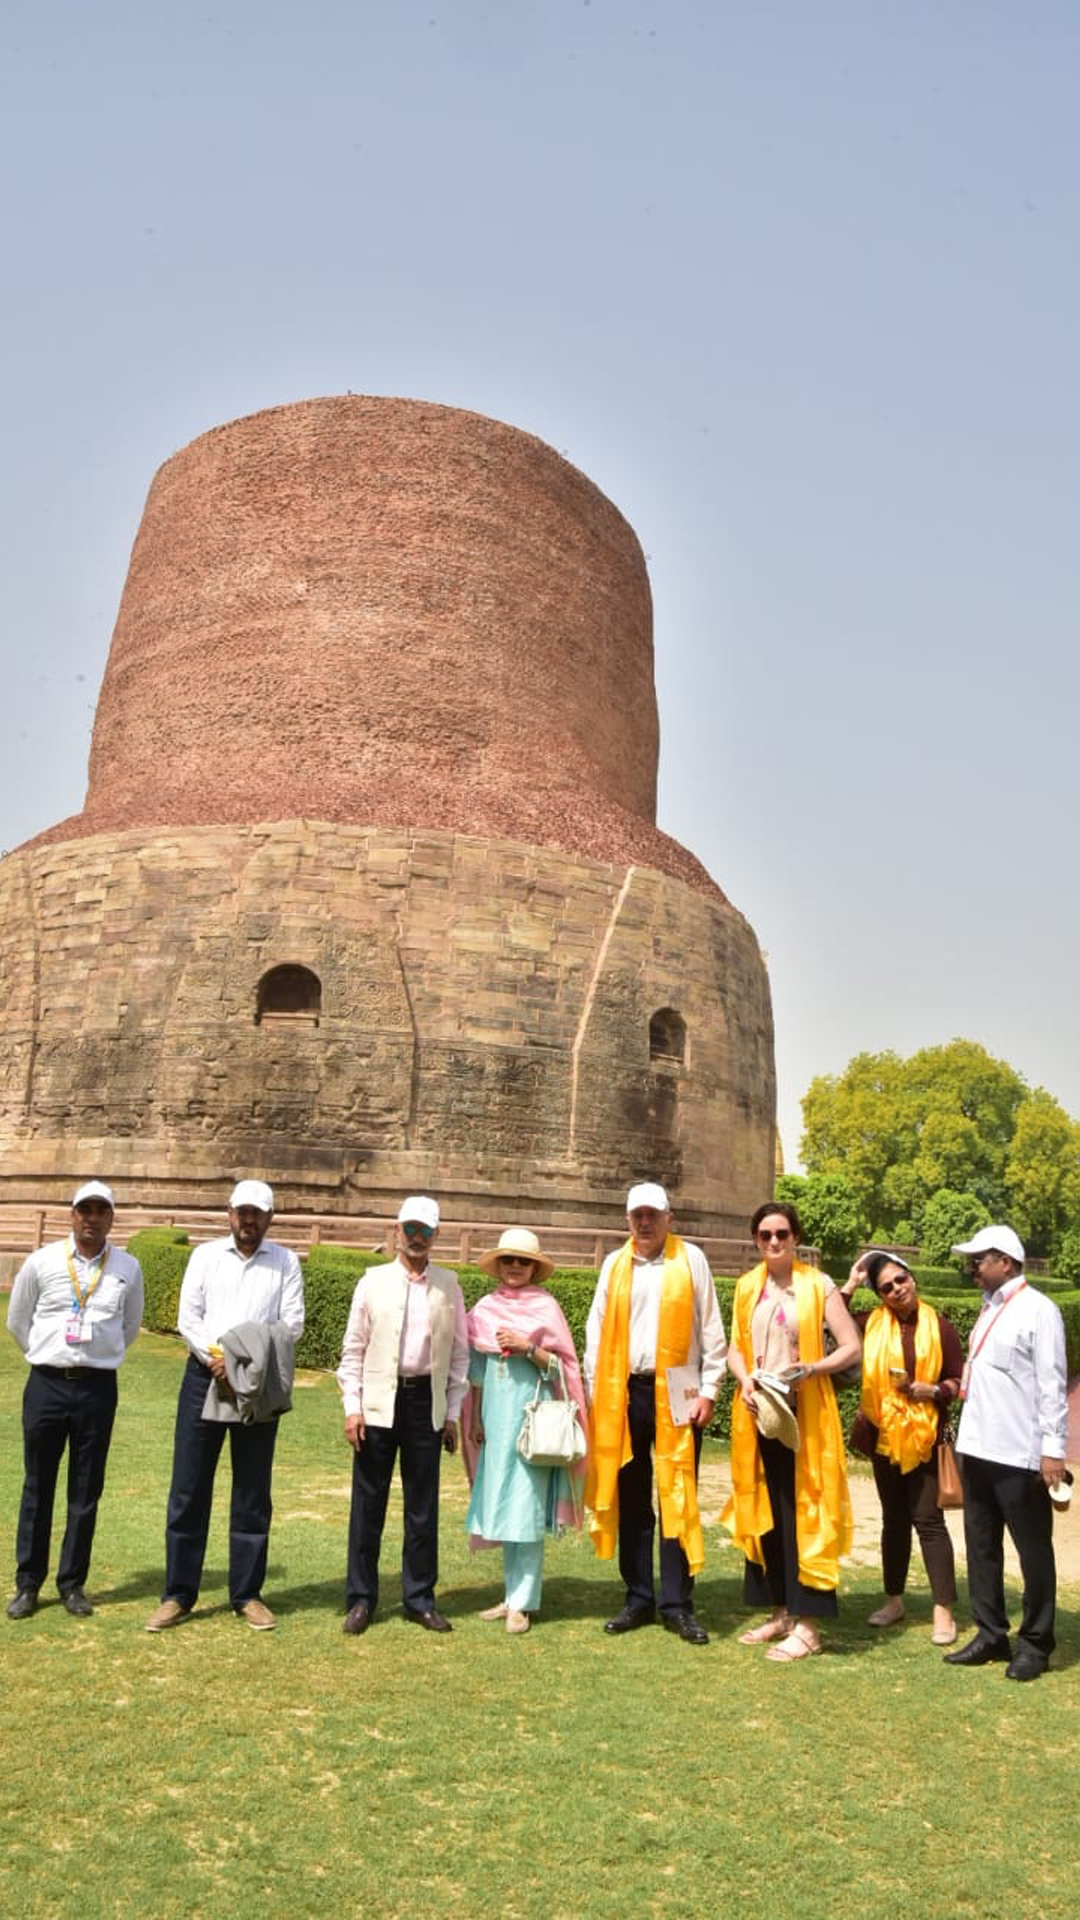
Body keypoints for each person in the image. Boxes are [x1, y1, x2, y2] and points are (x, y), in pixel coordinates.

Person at [146, 1180, 304, 1633]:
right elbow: (187, 1318)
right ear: (229, 1214)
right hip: (205, 1377)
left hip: (256, 1384)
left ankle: (248, 1594)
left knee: (253, 1492)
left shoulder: (285, 1262)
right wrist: (220, 1359)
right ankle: (178, 1593)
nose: (249, 1221)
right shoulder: (206, 1256)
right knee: (189, 1488)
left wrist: (241, 1363)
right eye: (242, 1212)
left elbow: (291, 1325)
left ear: (270, 1218)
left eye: (257, 1214)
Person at [584, 1182, 727, 1645]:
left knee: (677, 1492)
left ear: (669, 1218)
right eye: (636, 1216)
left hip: (681, 1384)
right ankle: (639, 1594)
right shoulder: (615, 1264)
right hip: (625, 1386)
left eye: (652, 1215)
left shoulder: (691, 1261)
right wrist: (594, 1393)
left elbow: (711, 1329)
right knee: (632, 1492)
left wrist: (708, 1389)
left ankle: (677, 1602)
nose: (644, 1223)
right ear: (628, 1220)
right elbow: (597, 1328)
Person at [722, 1200, 860, 1661]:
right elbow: (735, 1349)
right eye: (765, 1235)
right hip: (761, 1412)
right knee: (770, 1508)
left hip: (805, 1412)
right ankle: (781, 1610)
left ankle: (809, 1625)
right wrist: (743, 1380)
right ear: (756, 1240)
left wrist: (813, 1368)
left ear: (795, 1238)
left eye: (782, 1234)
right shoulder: (748, 1288)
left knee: (805, 1513)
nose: (774, 1242)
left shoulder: (817, 1286)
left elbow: (852, 1347)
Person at [6, 1181, 144, 1620]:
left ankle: (72, 1583)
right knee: (37, 1485)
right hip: (47, 1384)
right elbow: (18, 1320)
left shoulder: (127, 1267)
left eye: (100, 1210)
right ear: (72, 1215)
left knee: (86, 1489)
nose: (91, 1218)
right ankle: (29, 1583)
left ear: (111, 1218)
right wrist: (50, 1354)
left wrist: (94, 1357)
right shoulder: (43, 1262)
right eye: (84, 1209)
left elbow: (130, 1326)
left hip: (96, 1388)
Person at [338, 1197, 468, 1635]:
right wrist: (352, 1408)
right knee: (368, 1503)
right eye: (410, 1229)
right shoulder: (372, 1281)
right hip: (378, 1399)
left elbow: (459, 1356)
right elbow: (353, 1349)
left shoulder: (449, 1285)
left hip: (423, 1401)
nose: (417, 1238)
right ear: (397, 1230)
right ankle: (361, 1599)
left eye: (425, 1231)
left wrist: (450, 1413)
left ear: (436, 1235)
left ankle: (419, 1598)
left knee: (422, 1507)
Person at [943, 1225, 1068, 1681]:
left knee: (1032, 1551)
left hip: (1020, 1454)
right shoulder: (989, 1307)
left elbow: (1052, 1385)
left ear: (1006, 1262)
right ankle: (991, 1632)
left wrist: (1053, 1451)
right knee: (981, 1547)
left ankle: (1035, 1643)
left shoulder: (1039, 1310)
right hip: (977, 1448)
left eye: (979, 1260)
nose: (972, 1268)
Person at [463, 1227, 588, 1634]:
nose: (516, 1267)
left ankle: (524, 1601)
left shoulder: (545, 1308)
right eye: (509, 1260)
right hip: (496, 1422)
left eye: (524, 1261)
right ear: (499, 1265)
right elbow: (477, 1371)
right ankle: (510, 1595)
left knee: (527, 1508)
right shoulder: (483, 1308)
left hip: (533, 1423)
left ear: (535, 1268)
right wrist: (476, 1418)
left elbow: (563, 1368)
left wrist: (528, 1348)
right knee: (503, 1505)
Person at [839, 1249, 963, 1646]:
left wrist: (934, 1390)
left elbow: (958, 1382)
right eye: (886, 1287)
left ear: (912, 1278)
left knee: (928, 1519)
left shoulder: (940, 1326)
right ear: (879, 1294)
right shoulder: (870, 1324)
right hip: (883, 1436)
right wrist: (852, 1283)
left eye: (900, 1280)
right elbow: (830, 1327)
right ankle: (894, 1601)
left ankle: (943, 1610)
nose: (896, 1289)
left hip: (925, 1436)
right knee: (894, 1518)